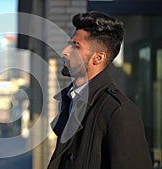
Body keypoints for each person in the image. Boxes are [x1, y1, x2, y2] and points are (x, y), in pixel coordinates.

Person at [47, 11, 152, 169]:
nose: (65, 51)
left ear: (98, 58)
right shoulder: (70, 99)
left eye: (75, 46)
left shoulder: (119, 111)